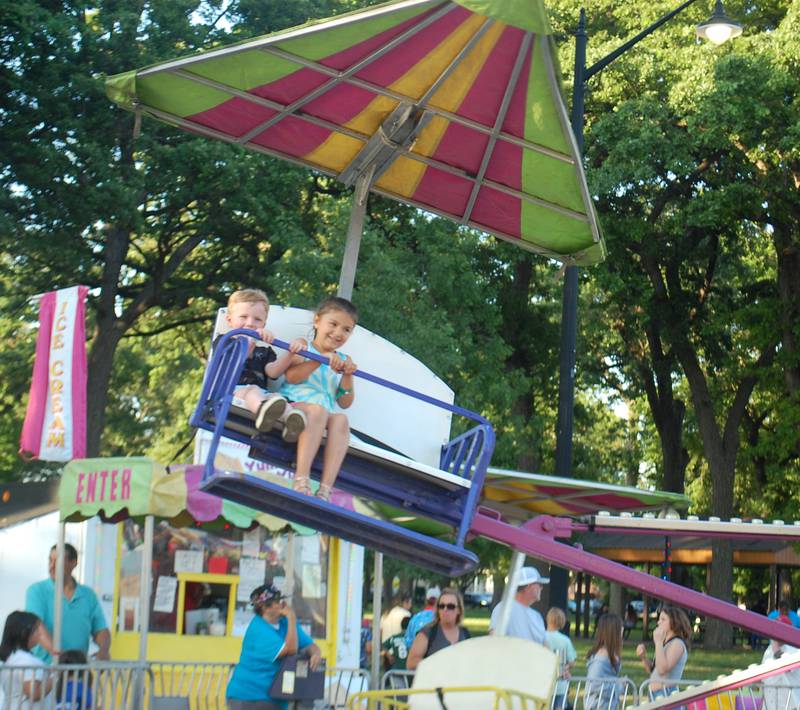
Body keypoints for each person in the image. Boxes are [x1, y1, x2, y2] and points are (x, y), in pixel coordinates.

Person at [279, 295, 358, 502]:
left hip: (324, 414)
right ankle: (301, 479)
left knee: (341, 419)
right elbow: (291, 377)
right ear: (317, 321)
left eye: (346, 329)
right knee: (317, 411)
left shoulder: (342, 361)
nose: (338, 333)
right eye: (333, 324)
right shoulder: (305, 347)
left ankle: (325, 490)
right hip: (297, 405)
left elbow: (345, 402)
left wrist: (348, 375)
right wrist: (319, 361)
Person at [223, 288, 308, 441]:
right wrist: (247, 343)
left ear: (264, 323)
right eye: (243, 317)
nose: (250, 323)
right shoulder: (225, 342)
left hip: (261, 394)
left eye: (257, 320)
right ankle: (262, 411)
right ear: (229, 320)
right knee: (253, 389)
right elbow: (231, 364)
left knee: (276, 397)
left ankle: (291, 422)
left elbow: (273, 373)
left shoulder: (265, 351)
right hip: (231, 390)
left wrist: (291, 352)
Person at [226, 583, 321, 710]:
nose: (283, 604)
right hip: (248, 697)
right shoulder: (258, 628)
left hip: (275, 697)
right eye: (277, 601)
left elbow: (309, 645)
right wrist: (291, 617)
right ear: (265, 607)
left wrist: (316, 653)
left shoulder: (285, 623)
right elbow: (291, 650)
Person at [25, 543, 110, 662]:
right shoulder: (37, 591)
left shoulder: (88, 595)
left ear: (73, 563)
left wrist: (104, 651)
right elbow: (36, 627)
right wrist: (62, 656)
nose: (52, 566)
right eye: (50, 560)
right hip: (44, 669)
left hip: (76, 671)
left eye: (57, 561)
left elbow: (100, 629)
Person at [0, 610, 55, 708]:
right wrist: (56, 676)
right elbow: (34, 693)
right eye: (36, 630)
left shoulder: (13, 658)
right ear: (24, 632)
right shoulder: (25, 660)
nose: (39, 634)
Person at [406, 588, 470, 670]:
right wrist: (438, 664)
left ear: (459, 610)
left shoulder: (465, 633)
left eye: (450, 606)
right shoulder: (427, 633)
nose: (445, 610)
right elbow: (411, 663)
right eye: (441, 606)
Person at [636, 605, 691, 699]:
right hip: (656, 694)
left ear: (674, 622)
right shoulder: (665, 643)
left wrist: (658, 643)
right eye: (659, 619)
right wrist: (643, 657)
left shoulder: (677, 644)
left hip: (666, 694)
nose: (658, 622)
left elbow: (662, 670)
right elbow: (653, 670)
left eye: (663, 619)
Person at [488, 566, 549, 644]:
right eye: (539, 584)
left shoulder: (537, 616)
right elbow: (494, 641)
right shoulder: (504, 609)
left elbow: (545, 648)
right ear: (528, 586)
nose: (542, 588)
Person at [584, 613, 624, 710]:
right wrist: (619, 685)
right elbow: (594, 684)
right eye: (620, 628)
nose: (623, 630)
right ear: (613, 632)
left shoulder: (610, 655)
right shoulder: (600, 660)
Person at [545, 607, 577, 710]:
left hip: (544, 684)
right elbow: (572, 661)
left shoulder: (540, 637)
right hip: (561, 683)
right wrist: (565, 667)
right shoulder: (565, 640)